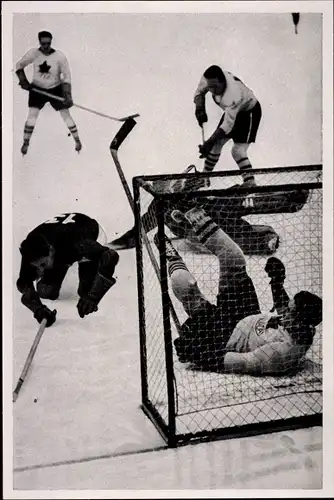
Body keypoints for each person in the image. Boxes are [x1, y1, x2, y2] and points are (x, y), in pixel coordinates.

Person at [155, 205, 322, 375]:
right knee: (234, 257)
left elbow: (239, 363)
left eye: (290, 312)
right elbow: (283, 306)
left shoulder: (280, 354)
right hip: (246, 312)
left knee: (184, 283)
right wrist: (277, 283)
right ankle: (192, 213)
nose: (285, 312)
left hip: (223, 336)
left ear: (300, 321)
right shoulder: (302, 325)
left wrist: (196, 354)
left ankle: (172, 257)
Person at [17, 212, 119, 327]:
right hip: (61, 244)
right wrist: (38, 309)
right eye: (37, 266)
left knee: (85, 293)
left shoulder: (78, 243)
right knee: (46, 292)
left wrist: (94, 297)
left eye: (43, 264)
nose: (41, 271)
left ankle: (78, 264)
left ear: (51, 251)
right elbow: (23, 281)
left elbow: (110, 256)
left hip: (86, 234)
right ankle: (64, 264)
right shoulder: (32, 246)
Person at [190, 64, 262, 190]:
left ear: (223, 82)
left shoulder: (233, 94)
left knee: (237, 151)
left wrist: (209, 142)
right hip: (232, 112)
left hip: (248, 112)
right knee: (215, 145)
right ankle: (204, 179)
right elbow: (199, 93)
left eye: (215, 87)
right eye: (210, 87)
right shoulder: (208, 79)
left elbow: (227, 125)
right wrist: (199, 108)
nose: (211, 90)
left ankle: (250, 183)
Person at [15, 30, 82, 155]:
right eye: (43, 43)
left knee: (65, 114)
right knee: (32, 115)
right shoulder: (33, 53)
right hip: (37, 89)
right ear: (39, 42)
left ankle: (77, 140)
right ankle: (26, 142)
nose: (46, 46)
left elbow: (66, 76)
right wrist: (23, 80)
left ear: (51, 42)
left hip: (55, 88)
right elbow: (19, 65)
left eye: (48, 43)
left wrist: (67, 95)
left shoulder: (59, 56)